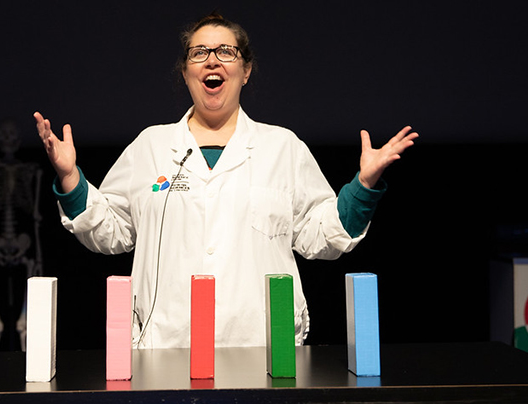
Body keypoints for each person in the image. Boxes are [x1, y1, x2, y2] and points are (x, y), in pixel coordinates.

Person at [34, 13, 418, 349]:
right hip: (167, 344)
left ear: (246, 70)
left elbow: (323, 236)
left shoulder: (281, 147)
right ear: (185, 72)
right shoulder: (151, 145)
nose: (211, 60)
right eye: (198, 53)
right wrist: (70, 178)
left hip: (263, 348)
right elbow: (110, 231)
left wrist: (363, 187)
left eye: (225, 52)